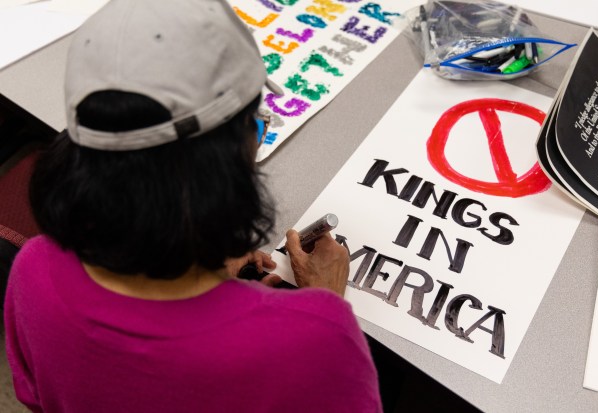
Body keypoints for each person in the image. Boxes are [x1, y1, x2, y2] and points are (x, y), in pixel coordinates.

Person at [3, 0, 382, 412]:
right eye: (256, 124)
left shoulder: (33, 268)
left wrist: (206, 265)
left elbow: (40, 396)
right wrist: (328, 299)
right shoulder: (317, 339)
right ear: (226, 157)